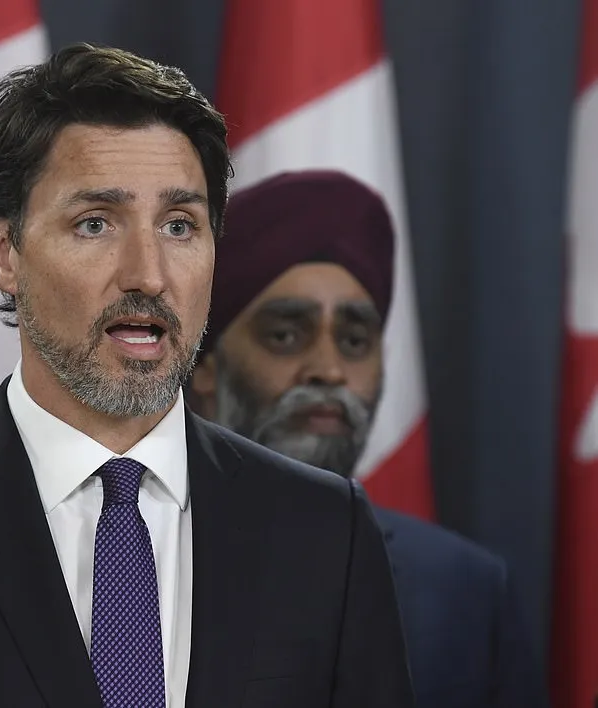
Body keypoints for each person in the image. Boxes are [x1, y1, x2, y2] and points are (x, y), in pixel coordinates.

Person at [0, 46, 414, 708]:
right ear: (4, 254)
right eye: (95, 224)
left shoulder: (326, 531)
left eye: (179, 226)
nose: (148, 275)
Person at [187, 168, 549, 708]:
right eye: (285, 335)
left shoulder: (466, 592)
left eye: (355, 340)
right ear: (204, 366)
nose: (329, 370)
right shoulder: (126, 554)